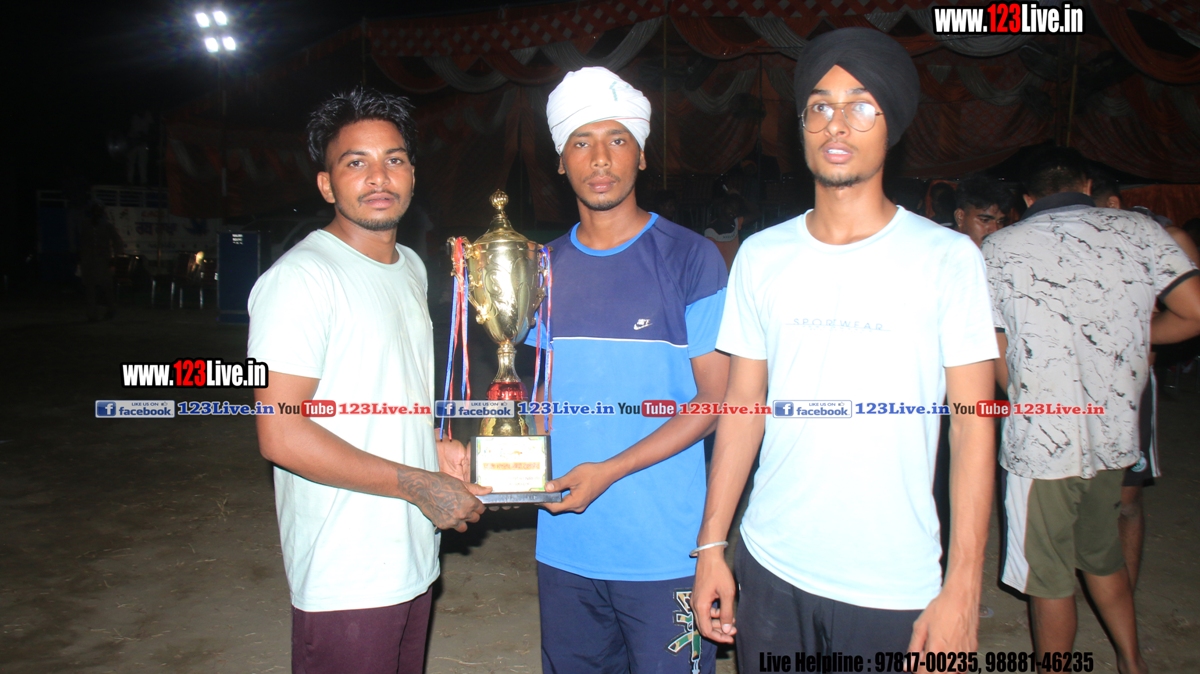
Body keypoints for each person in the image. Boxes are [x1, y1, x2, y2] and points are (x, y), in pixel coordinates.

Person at [693, 28, 998, 664]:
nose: (837, 124)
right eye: (820, 106)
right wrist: (712, 544)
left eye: (862, 106)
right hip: (771, 565)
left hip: (892, 581)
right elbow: (743, 407)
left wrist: (964, 587)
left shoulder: (947, 259)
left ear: (893, 126)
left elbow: (974, 426)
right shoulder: (762, 256)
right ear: (802, 124)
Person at [248, 87, 489, 674]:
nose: (379, 176)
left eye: (394, 159)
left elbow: (385, 388)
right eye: (355, 162)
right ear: (327, 185)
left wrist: (429, 446)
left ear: (413, 174)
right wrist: (416, 482)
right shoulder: (301, 279)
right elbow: (280, 434)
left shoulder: (410, 267)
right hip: (345, 569)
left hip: (410, 553)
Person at [532, 66, 730, 674]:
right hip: (564, 545)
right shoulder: (538, 269)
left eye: (617, 139)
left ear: (641, 155)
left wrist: (610, 470)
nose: (600, 158)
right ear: (561, 161)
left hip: (665, 550)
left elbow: (714, 401)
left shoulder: (691, 258)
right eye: (581, 142)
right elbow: (536, 397)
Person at [985, 147, 1200, 674]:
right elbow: (1194, 311)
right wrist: (1131, 340)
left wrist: (1024, 399)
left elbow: (995, 349)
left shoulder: (1000, 247)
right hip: (1114, 433)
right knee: (1102, 555)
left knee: (1048, 577)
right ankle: (1132, 662)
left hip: (1043, 444)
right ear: (1086, 186)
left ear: (1027, 198)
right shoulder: (1142, 232)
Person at [1089, 166, 1200, 591]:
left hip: (1131, 387)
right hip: (1076, 381)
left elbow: (1188, 310)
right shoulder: (1081, 243)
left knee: (1126, 498)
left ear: (1112, 204)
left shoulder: (1166, 239)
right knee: (1077, 494)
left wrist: (1134, 335)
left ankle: (1126, 593)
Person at [951, 174, 1012, 248]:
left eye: (1000, 222)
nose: (995, 229)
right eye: (985, 220)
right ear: (960, 217)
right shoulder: (942, 251)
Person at [703, 192, 747, 270]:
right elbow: (708, 256)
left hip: (734, 271)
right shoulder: (711, 230)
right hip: (720, 272)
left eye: (736, 210)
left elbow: (756, 213)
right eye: (731, 208)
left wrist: (740, 196)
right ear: (723, 206)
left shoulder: (736, 222)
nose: (733, 212)